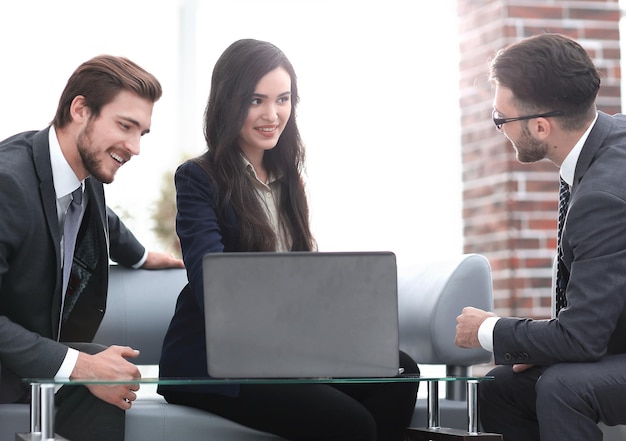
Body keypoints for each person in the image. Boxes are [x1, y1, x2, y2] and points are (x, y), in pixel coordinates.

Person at [158, 38, 418, 441]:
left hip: (286, 351)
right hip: (215, 363)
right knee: (352, 423)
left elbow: (302, 277)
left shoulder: (289, 179)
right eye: (256, 100)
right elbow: (213, 286)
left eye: (283, 99)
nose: (272, 114)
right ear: (229, 102)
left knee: (400, 371)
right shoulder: (198, 178)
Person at [0, 55, 184, 441]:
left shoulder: (80, 168)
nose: (134, 147)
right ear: (80, 109)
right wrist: (78, 366)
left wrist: (140, 255)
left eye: (142, 133)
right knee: (97, 369)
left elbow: (104, 218)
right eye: (125, 126)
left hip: (27, 349)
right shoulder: (7, 185)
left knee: (110, 368)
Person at [454, 33, 626, 440]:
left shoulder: (602, 195)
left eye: (501, 120)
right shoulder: (606, 144)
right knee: (501, 387)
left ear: (540, 126)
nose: (499, 130)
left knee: (561, 387)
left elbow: (581, 340)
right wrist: (533, 346)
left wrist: (489, 329)